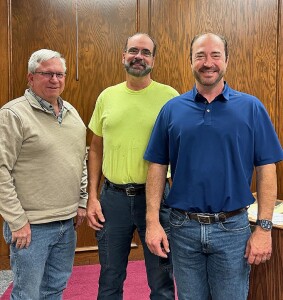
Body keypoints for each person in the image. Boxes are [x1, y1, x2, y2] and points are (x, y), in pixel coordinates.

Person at [144, 33, 283, 300]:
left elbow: (267, 168)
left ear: (227, 61)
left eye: (215, 55)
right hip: (183, 228)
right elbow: (157, 167)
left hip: (232, 230)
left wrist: (264, 228)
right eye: (200, 56)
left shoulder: (251, 108)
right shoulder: (171, 110)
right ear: (190, 62)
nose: (208, 63)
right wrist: (152, 221)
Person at [86, 33, 179, 299]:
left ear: (153, 59)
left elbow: (181, 150)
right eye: (133, 51)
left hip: (157, 200)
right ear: (123, 56)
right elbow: (95, 148)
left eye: (146, 52)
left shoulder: (170, 97)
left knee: (161, 280)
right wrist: (92, 196)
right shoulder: (107, 96)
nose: (139, 56)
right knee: (109, 279)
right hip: (112, 200)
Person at [0, 49, 88, 299]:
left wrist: (82, 201)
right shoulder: (13, 115)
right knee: (27, 294)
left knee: (54, 290)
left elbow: (80, 159)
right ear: (30, 78)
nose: (55, 79)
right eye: (47, 73)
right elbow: (1, 171)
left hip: (67, 223)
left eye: (60, 74)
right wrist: (16, 221)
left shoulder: (71, 113)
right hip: (30, 227)